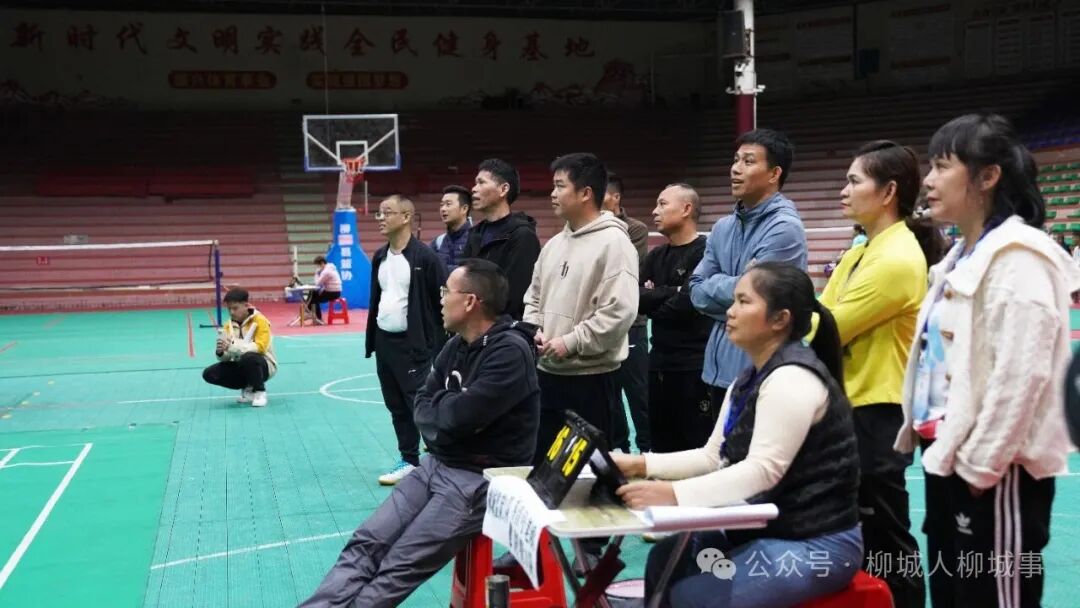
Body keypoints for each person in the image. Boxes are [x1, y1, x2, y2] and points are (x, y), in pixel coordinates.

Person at [896, 113, 1080, 608]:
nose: (929, 180)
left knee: (993, 597)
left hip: (994, 472)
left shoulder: (1020, 257)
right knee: (954, 593)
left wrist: (982, 465)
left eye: (942, 166)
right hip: (948, 454)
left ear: (988, 176)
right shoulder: (962, 255)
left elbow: (1021, 375)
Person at [613, 262, 862, 607]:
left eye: (744, 302)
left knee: (693, 596)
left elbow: (763, 471)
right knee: (664, 560)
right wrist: (639, 464)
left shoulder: (792, 380)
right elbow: (712, 456)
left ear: (780, 319)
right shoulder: (747, 379)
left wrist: (671, 493)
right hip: (766, 528)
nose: (730, 311)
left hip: (817, 542)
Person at [300, 259, 540, 608]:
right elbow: (423, 408)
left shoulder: (509, 353)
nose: (440, 299)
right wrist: (445, 415)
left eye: (446, 292)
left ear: (470, 301)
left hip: (479, 479)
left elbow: (457, 417)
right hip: (436, 464)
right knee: (367, 543)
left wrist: (443, 415)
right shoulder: (456, 345)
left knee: (398, 565)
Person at [818, 141, 946, 608]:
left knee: (887, 540)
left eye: (854, 181)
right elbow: (822, 313)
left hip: (879, 411)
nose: (844, 190)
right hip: (851, 405)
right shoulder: (861, 252)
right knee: (861, 535)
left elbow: (825, 327)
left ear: (888, 191)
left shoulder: (897, 259)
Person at [523, 152, 639, 570]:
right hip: (548, 375)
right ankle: (539, 546)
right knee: (543, 465)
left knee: (591, 468)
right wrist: (535, 327)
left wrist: (571, 342)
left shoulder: (615, 243)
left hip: (592, 376)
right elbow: (533, 296)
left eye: (560, 186)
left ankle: (590, 548)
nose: (552, 194)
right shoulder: (555, 244)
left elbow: (619, 312)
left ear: (586, 193)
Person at [689, 128, 807, 413]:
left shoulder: (784, 228)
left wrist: (719, 288)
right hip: (717, 372)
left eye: (748, 161)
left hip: (763, 374)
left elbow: (762, 301)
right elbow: (695, 291)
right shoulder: (722, 227)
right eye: (735, 160)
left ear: (774, 173)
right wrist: (741, 287)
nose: (736, 169)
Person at [365, 195, 447, 486]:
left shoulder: (425, 258)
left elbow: (442, 301)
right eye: (379, 213)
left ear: (406, 217)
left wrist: (437, 343)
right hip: (384, 343)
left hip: (414, 345)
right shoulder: (379, 257)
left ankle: (439, 460)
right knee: (396, 405)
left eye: (387, 212)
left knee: (419, 404)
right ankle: (409, 460)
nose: (380, 218)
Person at [639, 183, 713, 453]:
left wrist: (655, 296)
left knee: (696, 449)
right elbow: (635, 299)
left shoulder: (706, 252)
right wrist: (674, 290)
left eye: (662, 204)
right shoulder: (656, 255)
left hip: (694, 366)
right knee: (661, 449)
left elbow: (688, 304)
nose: (654, 211)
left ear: (686, 209)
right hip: (658, 364)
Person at [603, 171, 651, 454]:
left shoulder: (635, 230)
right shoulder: (586, 229)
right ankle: (618, 452)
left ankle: (647, 451)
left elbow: (626, 271)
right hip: (602, 326)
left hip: (632, 324)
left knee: (638, 394)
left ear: (615, 197)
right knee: (609, 394)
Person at [462, 158, 541, 320]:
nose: (474, 189)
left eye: (481, 182)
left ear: (503, 189)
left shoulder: (523, 236)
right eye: (475, 183)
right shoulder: (475, 234)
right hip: (472, 325)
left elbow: (514, 297)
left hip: (503, 329)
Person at [202, 287, 277, 408]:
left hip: (264, 366)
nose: (231, 312)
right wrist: (221, 352)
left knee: (249, 357)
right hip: (241, 364)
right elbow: (227, 357)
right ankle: (248, 388)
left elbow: (260, 347)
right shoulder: (228, 326)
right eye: (229, 309)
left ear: (246, 305)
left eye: (235, 308)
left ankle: (259, 392)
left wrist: (231, 346)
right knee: (209, 373)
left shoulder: (261, 321)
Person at [430, 185, 472, 271]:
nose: (443, 209)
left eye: (448, 204)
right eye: (441, 205)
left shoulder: (477, 240)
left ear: (464, 209)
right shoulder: (438, 242)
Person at [304, 255, 342, 324]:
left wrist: (316, 273)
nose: (318, 268)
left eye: (318, 266)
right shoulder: (331, 267)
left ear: (322, 263)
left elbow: (317, 283)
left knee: (314, 300)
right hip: (335, 291)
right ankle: (310, 312)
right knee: (313, 293)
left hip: (333, 293)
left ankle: (312, 314)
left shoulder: (326, 272)